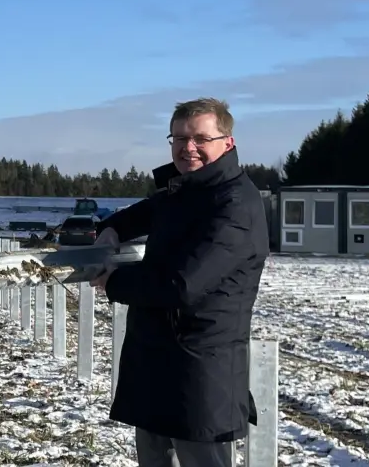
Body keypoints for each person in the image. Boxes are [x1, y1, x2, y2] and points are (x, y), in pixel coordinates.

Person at [91, 97, 270, 467]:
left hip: (200, 370)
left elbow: (182, 285)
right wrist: (112, 228)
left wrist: (115, 282)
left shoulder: (234, 204)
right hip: (157, 360)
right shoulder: (185, 191)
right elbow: (144, 212)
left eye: (201, 138)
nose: (189, 147)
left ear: (228, 142)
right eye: (179, 138)